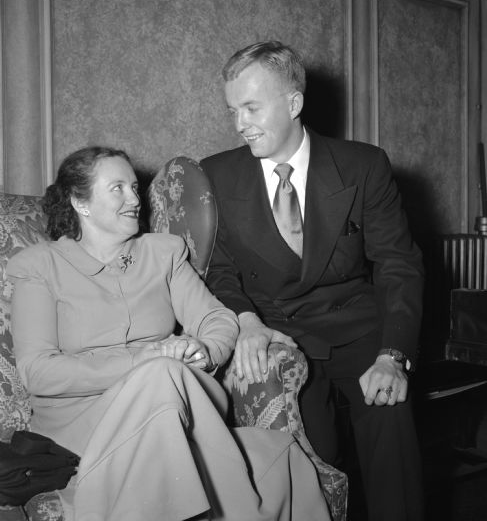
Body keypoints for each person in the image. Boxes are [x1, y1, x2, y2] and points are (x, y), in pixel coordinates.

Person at [7, 146, 330, 521]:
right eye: (118, 189)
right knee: (163, 374)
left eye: (134, 186)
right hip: (82, 426)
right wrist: (147, 359)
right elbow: (38, 372)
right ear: (81, 202)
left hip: (177, 405)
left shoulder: (162, 253)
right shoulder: (39, 267)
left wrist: (201, 351)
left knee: (282, 454)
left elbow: (217, 319)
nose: (134, 199)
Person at [200, 41, 425, 521]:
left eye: (251, 107)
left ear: (294, 103)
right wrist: (245, 323)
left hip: (358, 329)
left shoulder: (364, 166)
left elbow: (398, 265)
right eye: (232, 110)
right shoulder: (216, 174)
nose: (240, 123)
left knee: (390, 416)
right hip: (278, 330)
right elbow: (219, 269)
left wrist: (393, 356)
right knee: (313, 458)